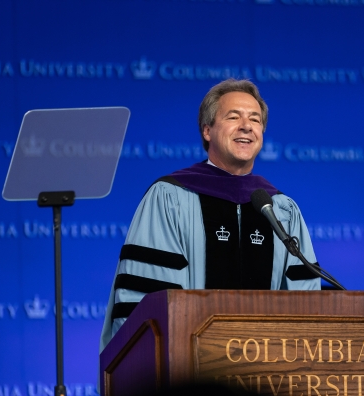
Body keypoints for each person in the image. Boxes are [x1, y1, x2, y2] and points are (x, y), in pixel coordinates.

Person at [100, 79, 320, 351]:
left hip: (267, 374)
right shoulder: (170, 198)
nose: (246, 126)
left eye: (255, 119)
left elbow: (306, 299)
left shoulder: (280, 208)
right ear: (207, 131)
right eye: (233, 117)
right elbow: (145, 296)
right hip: (189, 374)